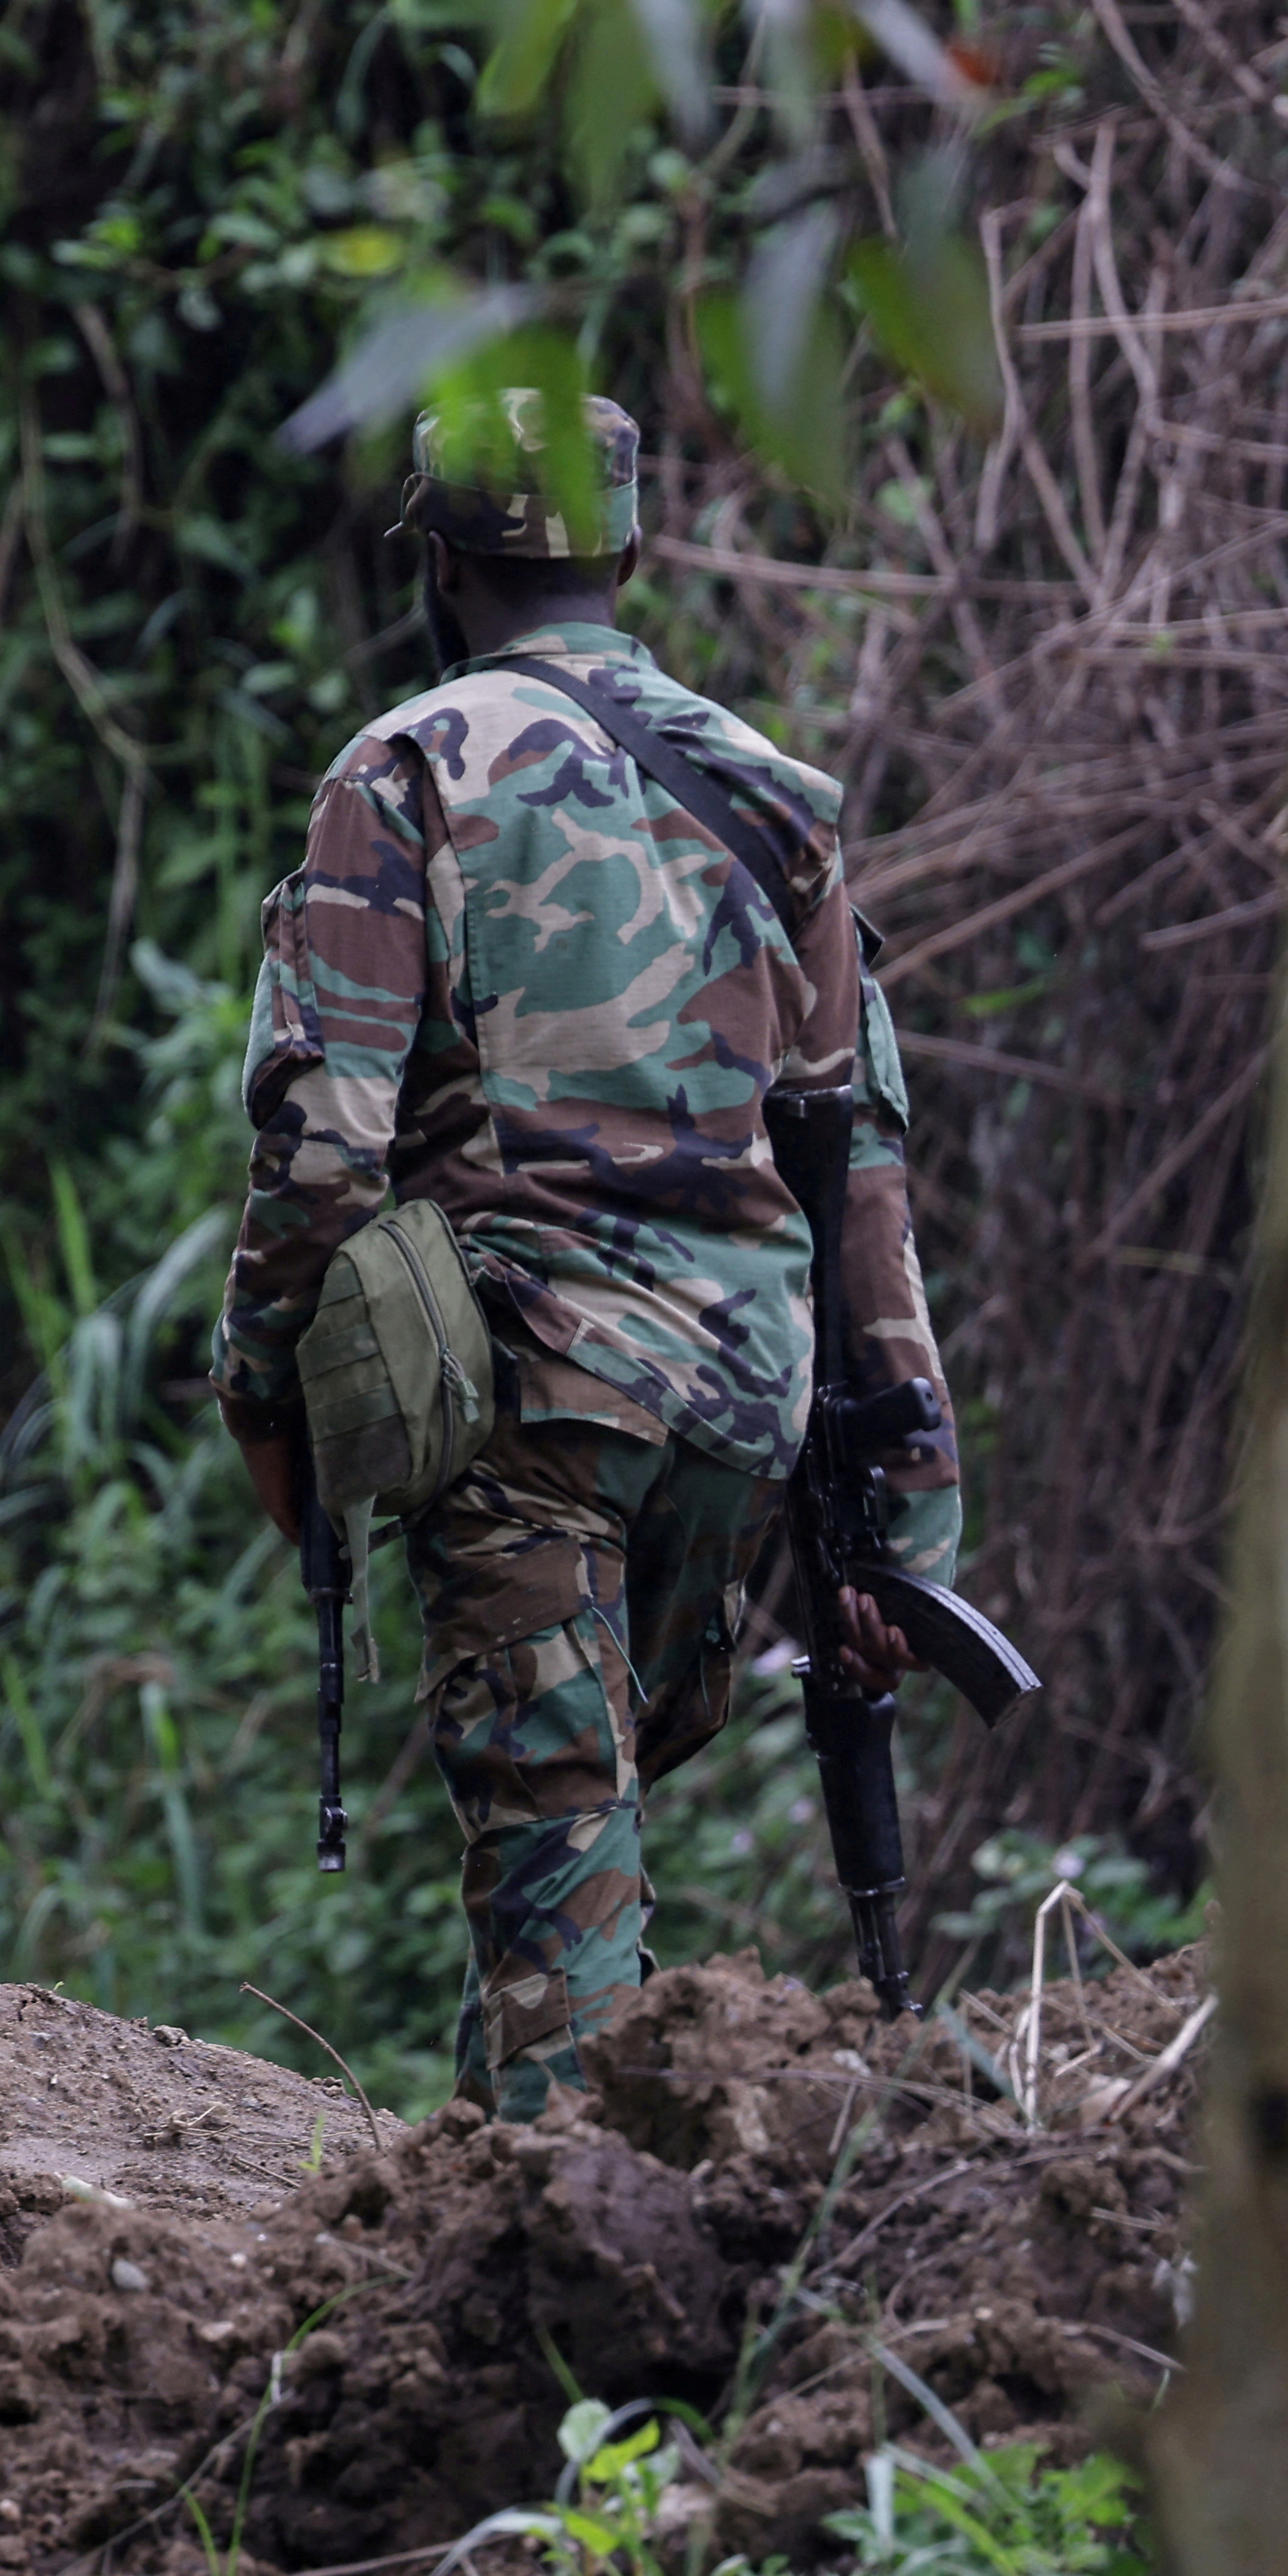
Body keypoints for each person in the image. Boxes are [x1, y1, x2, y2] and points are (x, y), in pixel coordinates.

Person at [214, 387, 964, 2119]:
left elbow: (323, 1150)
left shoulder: (404, 774)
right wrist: (910, 1535)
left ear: (440, 560)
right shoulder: (783, 805)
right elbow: (861, 1183)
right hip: (742, 1425)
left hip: (538, 1412)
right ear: (627, 550)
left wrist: (265, 1397)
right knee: (573, 1868)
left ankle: (583, 2291)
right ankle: (518, 2210)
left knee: (559, 1909)